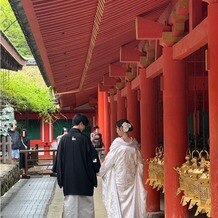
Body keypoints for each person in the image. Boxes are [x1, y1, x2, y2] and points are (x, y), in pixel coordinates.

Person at [98, 119, 147, 218]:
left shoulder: (117, 142)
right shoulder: (134, 144)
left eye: (117, 128)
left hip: (119, 178)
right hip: (131, 178)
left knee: (119, 202)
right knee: (131, 201)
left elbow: (109, 161)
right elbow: (140, 163)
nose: (116, 130)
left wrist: (101, 171)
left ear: (121, 128)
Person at [56, 114, 101, 218]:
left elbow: (58, 160)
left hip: (68, 180)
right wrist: (96, 168)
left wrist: (60, 175)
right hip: (84, 180)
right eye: (84, 125)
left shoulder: (63, 139)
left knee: (70, 206)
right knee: (85, 207)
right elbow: (93, 157)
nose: (84, 128)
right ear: (80, 124)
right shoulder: (84, 139)